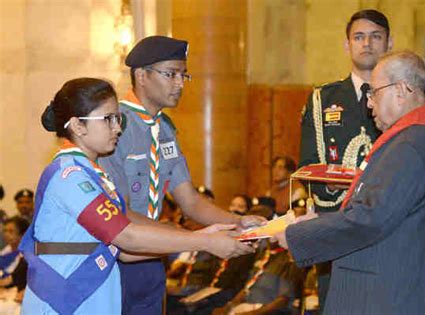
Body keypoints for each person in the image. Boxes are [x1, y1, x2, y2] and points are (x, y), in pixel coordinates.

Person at [20, 78, 255, 315]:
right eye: (108, 119)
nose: (118, 128)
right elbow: (127, 237)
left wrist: (204, 235)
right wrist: (205, 242)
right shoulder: (69, 176)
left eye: (118, 118)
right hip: (63, 304)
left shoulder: (94, 175)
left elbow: (125, 251)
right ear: (78, 126)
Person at [275, 51, 425, 314]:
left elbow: (369, 218)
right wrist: (317, 224)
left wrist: (296, 235)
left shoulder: (412, 145)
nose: (369, 103)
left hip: (394, 299)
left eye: (374, 92)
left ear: (401, 90)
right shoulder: (414, 139)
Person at [99, 35, 265, 314]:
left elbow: (190, 202)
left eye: (183, 75)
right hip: (115, 258)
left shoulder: (165, 130)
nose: (179, 84)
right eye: (171, 74)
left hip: (152, 257)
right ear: (141, 75)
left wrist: (237, 222)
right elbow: (120, 210)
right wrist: (198, 240)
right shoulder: (115, 127)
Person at [298, 10, 392, 309]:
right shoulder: (321, 99)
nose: (367, 44)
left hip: (387, 224)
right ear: (347, 45)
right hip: (334, 223)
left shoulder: (403, 97)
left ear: (389, 43)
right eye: (359, 37)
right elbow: (309, 166)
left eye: (376, 37)